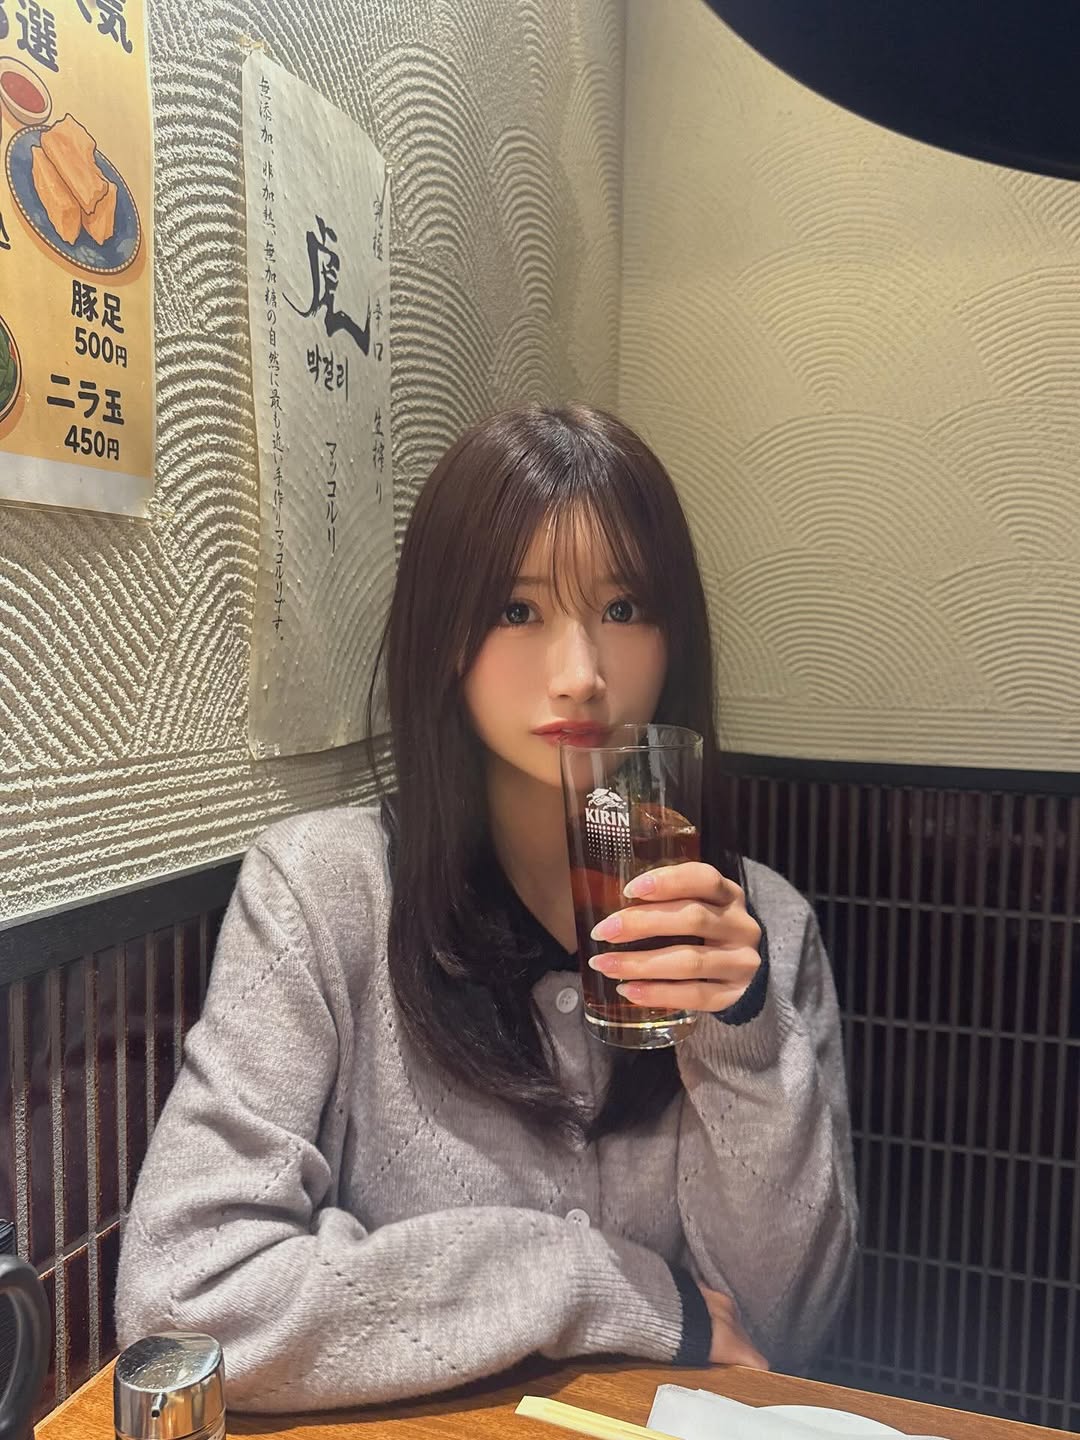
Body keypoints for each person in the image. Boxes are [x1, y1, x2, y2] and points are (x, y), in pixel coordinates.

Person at [115, 404, 857, 1413]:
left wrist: (744, 1036)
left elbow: (785, 1332)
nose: (581, 674)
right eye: (517, 610)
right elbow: (182, 1303)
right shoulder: (325, 893)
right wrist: (587, 1283)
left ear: (676, 636)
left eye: (624, 606)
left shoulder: (764, 925)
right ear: (444, 638)